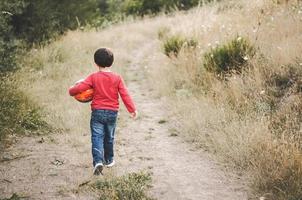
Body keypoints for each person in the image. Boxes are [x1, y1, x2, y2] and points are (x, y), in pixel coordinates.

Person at [69, 48, 137, 175]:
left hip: (97, 112)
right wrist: (132, 109)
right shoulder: (117, 78)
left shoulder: (93, 77)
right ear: (112, 62)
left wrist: (71, 90)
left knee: (96, 137)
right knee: (109, 137)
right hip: (112, 113)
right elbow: (125, 94)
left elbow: (80, 88)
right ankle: (109, 160)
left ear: (96, 63)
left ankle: (98, 161)